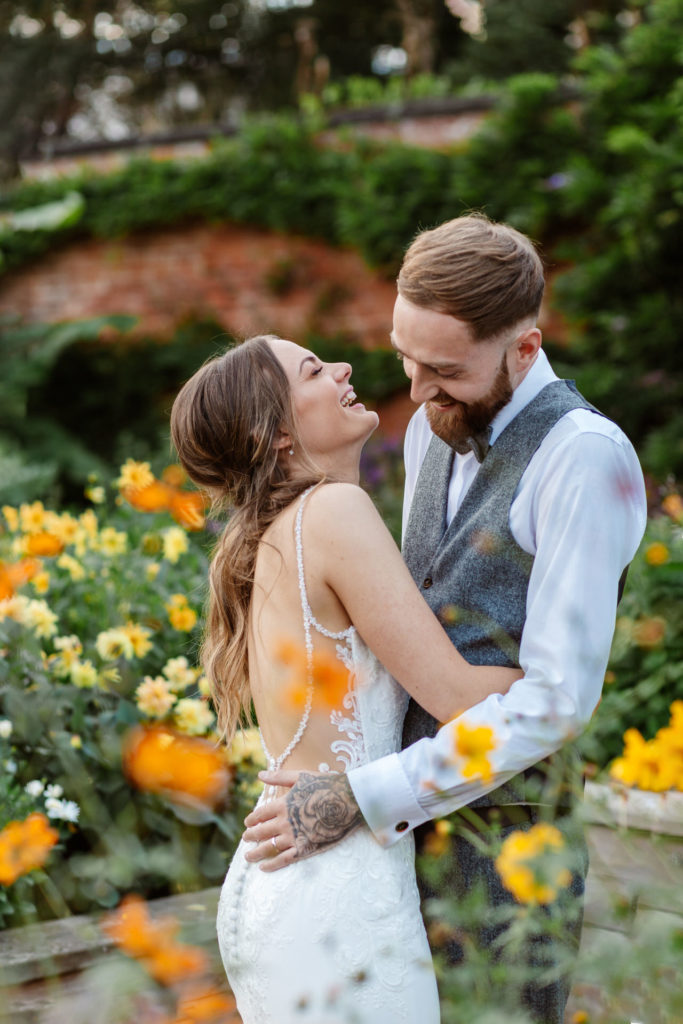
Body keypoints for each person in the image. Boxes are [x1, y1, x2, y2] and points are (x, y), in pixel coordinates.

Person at [243, 214, 647, 1023]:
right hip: (385, 855)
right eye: (404, 357)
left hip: (504, 855)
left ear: (524, 348)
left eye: (441, 369)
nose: (416, 391)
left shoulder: (584, 458)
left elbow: (556, 704)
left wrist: (366, 792)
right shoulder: (435, 427)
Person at [169, 334, 523, 1024]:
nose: (343, 368)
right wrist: (566, 680)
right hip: (338, 888)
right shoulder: (332, 512)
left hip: (286, 880)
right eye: (313, 370)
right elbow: (455, 697)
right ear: (272, 432)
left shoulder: (274, 532)